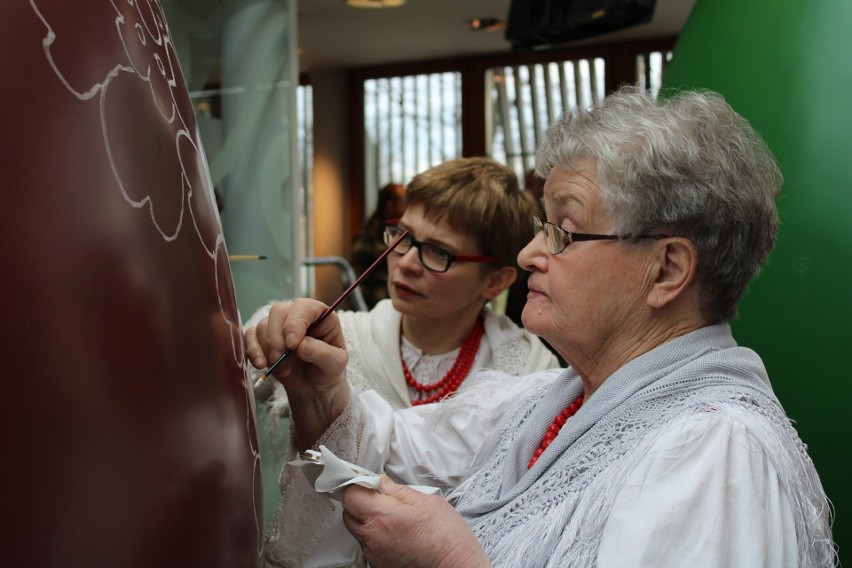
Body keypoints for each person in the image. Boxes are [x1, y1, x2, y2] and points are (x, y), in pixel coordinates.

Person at [246, 88, 837, 567]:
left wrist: (453, 561)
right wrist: (319, 389)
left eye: (563, 231)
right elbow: (396, 450)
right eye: (540, 225)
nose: (530, 255)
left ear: (667, 269)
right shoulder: (556, 397)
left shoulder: (710, 451)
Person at [248, 156, 560, 566]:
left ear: (497, 280)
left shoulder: (529, 373)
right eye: (402, 237)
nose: (407, 262)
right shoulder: (339, 344)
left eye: (438, 252)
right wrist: (264, 335)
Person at [350, 182, 407, 309]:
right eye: (404, 202)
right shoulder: (367, 238)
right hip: (378, 305)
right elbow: (356, 285)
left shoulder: (401, 231)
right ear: (390, 206)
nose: (408, 207)